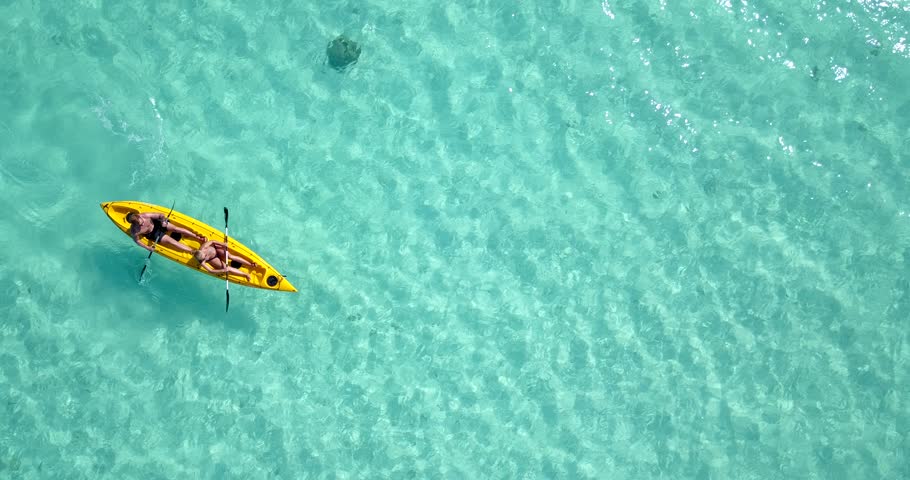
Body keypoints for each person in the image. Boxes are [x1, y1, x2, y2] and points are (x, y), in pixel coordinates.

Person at [126, 211, 206, 254]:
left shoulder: (145, 215)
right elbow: (137, 241)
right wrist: (148, 248)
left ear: (138, 216)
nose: (141, 224)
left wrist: (163, 221)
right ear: (133, 224)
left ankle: (197, 237)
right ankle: (193, 251)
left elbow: (161, 215)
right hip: (154, 234)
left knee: (176, 229)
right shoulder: (134, 230)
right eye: (137, 223)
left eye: (140, 221)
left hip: (158, 224)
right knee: (172, 241)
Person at [192, 240, 258, 281]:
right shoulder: (201, 261)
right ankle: (245, 274)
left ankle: (250, 264)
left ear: (202, 251)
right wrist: (223, 270)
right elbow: (210, 271)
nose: (206, 257)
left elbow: (212, 241)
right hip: (213, 259)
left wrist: (222, 244)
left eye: (205, 255)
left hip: (216, 249)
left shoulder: (203, 247)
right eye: (204, 258)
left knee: (230, 256)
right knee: (226, 268)